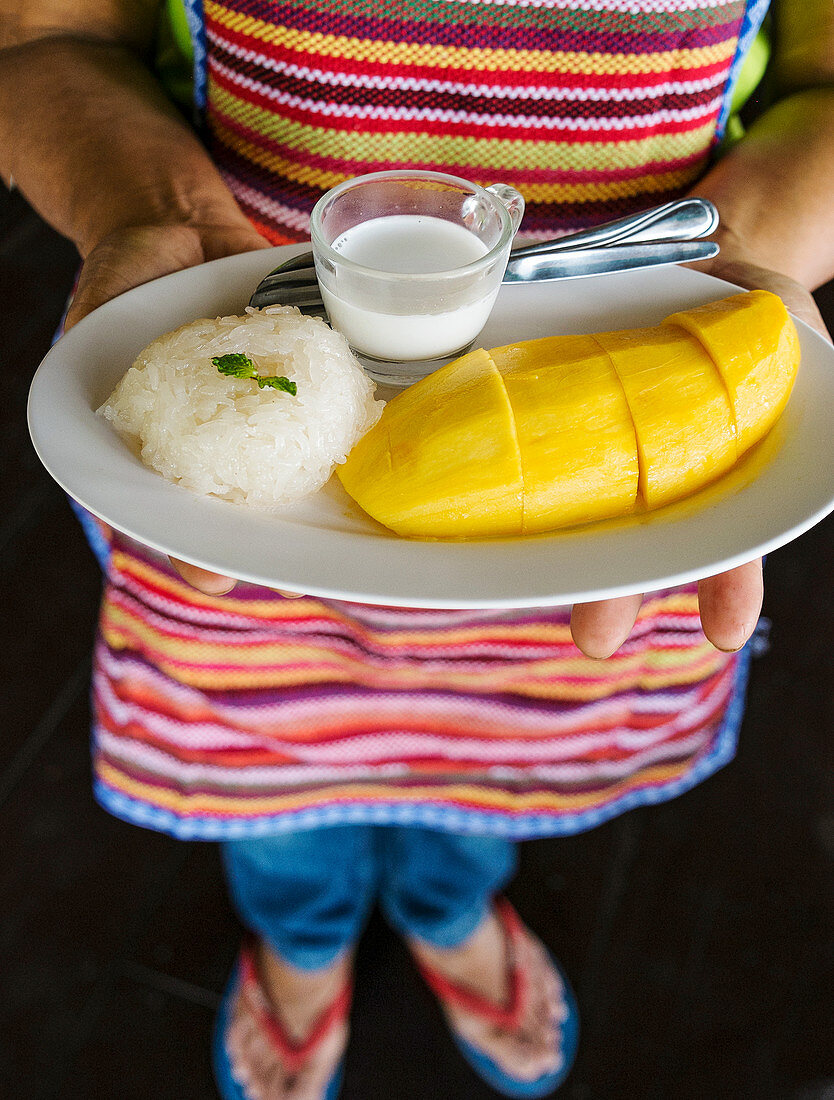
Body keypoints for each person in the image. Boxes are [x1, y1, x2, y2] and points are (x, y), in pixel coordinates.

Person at [2, 1, 833, 1097]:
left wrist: (729, 270)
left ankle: (449, 905)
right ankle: (302, 936)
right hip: (242, 458)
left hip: (593, 485)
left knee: (494, 759)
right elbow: (49, 44)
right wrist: (150, 213)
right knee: (269, 756)